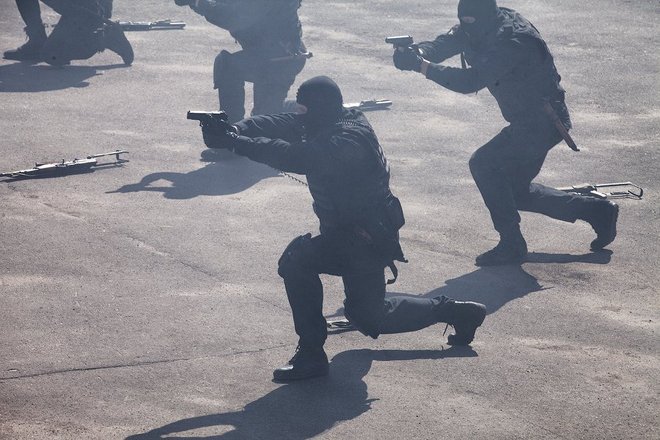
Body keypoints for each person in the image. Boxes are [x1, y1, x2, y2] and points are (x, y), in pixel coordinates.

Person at [199, 76, 488, 382]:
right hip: (352, 232)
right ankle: (459, 313)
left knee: (296, 261)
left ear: (319, 110)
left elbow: (297, 156)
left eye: (304, 110)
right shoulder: (331, 118)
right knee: (369, 315)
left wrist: (236, 143)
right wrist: (236, 128)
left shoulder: (348, 140)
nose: (299, 117)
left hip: (364, 238)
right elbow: (283, 122)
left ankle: (311, 356)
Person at [391, 0, 619, 266]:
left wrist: (421, 66)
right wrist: (418, 51)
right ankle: (597, 211)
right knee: (513, 192)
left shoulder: (512, 40)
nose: (467, 27)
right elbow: (449, 41)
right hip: (528, 121)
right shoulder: (481, 24)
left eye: (471, 22)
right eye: (464, 22)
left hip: (543, 122)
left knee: (483, 164)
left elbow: (471, 81)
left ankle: (511, 244)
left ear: (485, 18)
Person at [174, 0, 308, 124]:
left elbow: (234, 17)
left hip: (279, 60)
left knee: (262, 121)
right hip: (269, 55)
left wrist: (199, 3)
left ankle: (230, 128)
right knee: (263, 114)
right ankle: (232, 125)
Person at [3, 0, 133, 66]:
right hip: (75, 9)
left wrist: (102, 13)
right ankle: (37, 41)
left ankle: (106, 37)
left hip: (87, 9)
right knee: (52, 54)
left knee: (52, 55)